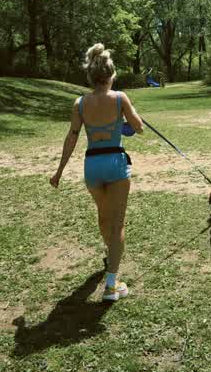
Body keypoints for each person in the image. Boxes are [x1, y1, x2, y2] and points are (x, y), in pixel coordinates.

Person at [50, 43, 143, 301]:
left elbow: (71, 137)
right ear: (112, 75)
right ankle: (111, 285)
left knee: (104, 218)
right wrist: (131, 119)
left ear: (91, 76)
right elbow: (139, 128)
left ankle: (110, 254)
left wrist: (59, 172)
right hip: (115, 163)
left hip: (92, 166)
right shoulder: (120, 98)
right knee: (117, 224)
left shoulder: (79, 103)